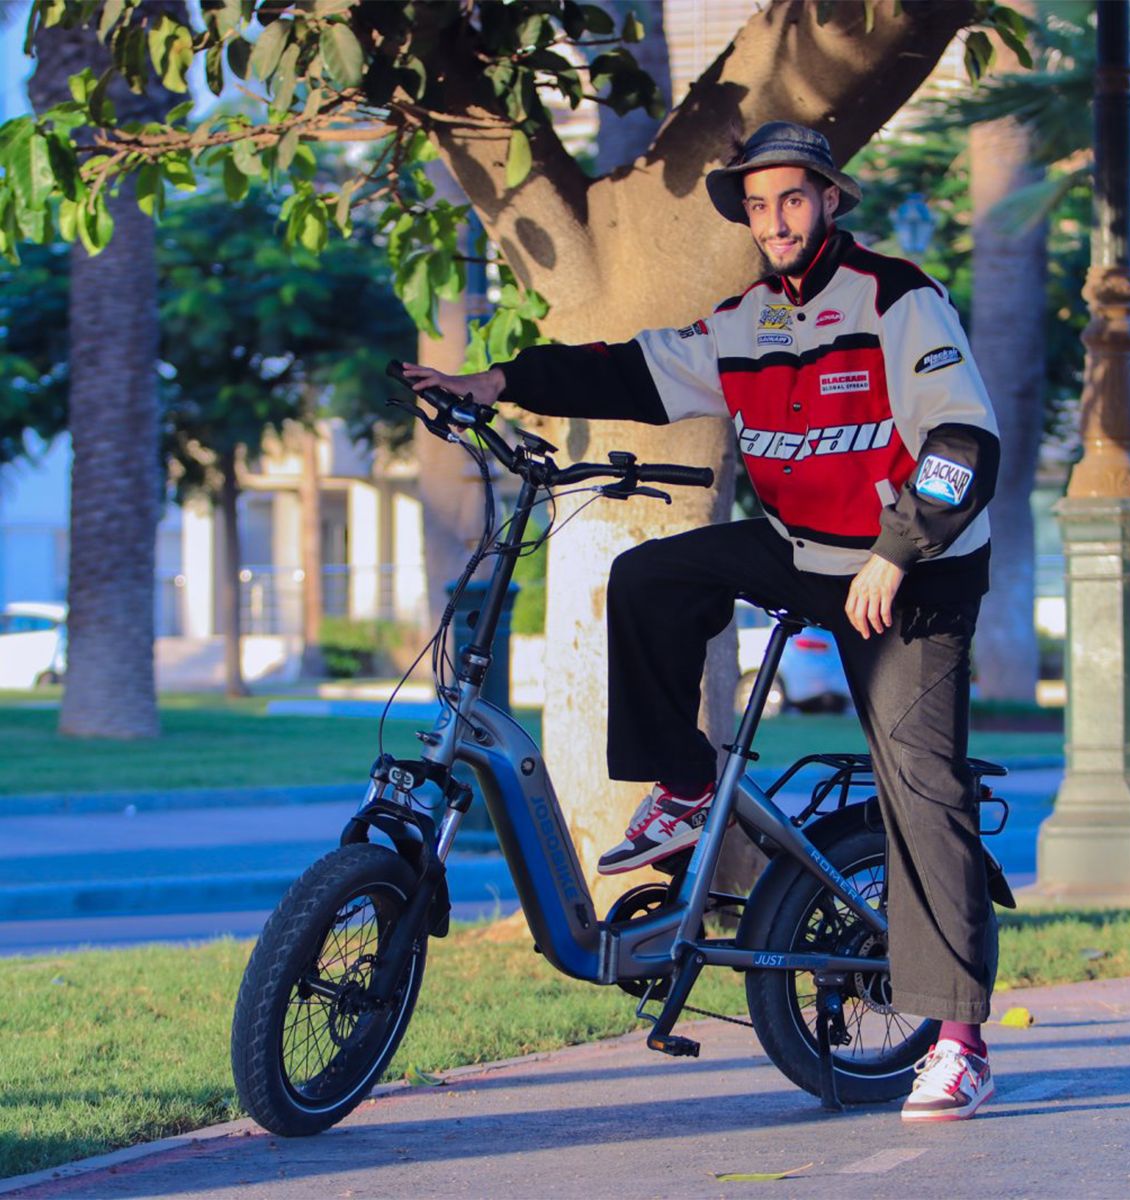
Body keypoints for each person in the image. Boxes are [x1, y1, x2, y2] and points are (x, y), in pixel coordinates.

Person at [404, 121, 1001, 1122]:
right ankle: (686, 781)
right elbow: (623, 370)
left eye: (792, 199)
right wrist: (496, 384)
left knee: (920, 786)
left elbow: (963, 444)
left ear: (829, 200)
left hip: (914, 574)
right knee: (650, 578)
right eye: (759, 205)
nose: (775, 220)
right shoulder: (742, 321)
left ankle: (958, 1041)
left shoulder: (899, 300)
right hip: (806, 550)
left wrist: (899, 550)